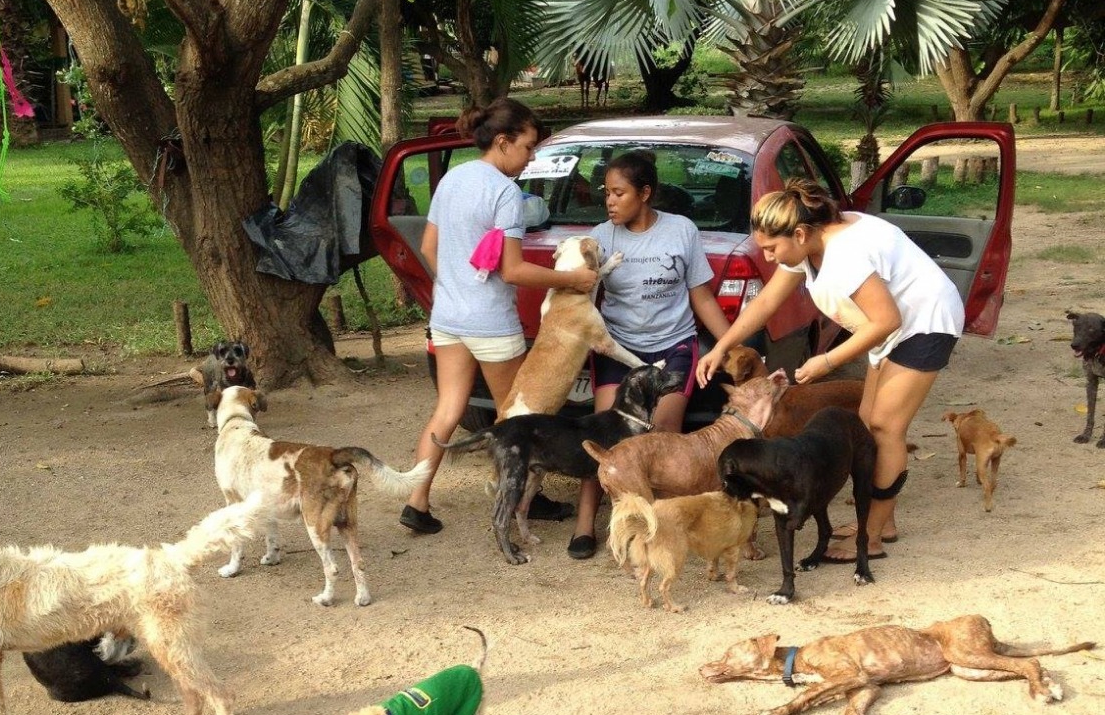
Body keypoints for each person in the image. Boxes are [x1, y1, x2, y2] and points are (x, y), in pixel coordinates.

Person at [696, 177, 964, 561]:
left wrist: (827, 361)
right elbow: (767, 302)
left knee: (887, 428)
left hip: (924, 322)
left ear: (800, 233)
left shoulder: (844, 254)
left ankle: (870, 537)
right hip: (890, 325)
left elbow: (885, 319)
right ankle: (880, 521)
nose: (768, 257)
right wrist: (721, 346)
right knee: (867, 424)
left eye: (772, 248)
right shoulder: (809, 241)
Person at [401, 97, 599, 535]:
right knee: (520, 418)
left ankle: (417, 501)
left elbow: (431, 249)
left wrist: (456, 285)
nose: (531, 158)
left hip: (449, 316)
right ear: (504, 141)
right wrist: (571, 280)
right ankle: (522, 496)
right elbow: (512, 270)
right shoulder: (506, 193)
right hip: (491, 322)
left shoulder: (452, 179)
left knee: (448, 409)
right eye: (528, 147)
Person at [567, 151, 732, 559]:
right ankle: (586, 522)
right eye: (607, 193)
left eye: (619, 193)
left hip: (673, 344)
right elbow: (583, 298)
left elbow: (700, 295)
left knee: (662, 434)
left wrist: (731, 345)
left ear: (645, 193)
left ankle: (664, 524)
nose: (609, 201)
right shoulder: (600, 238)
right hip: (619, 348)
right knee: (606, 434)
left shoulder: (681, 231)